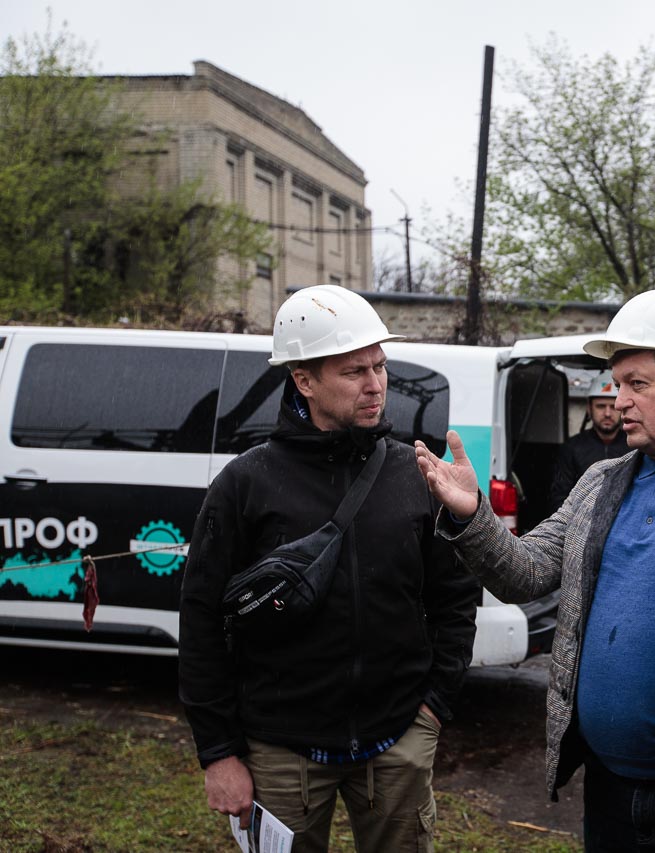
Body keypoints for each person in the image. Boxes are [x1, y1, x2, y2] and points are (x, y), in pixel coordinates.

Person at [416, 289, 655, 853]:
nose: (619, 400)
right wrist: (472, 515)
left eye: (637, 384)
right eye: (616, 383)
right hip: (605, 783)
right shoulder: (600, 482)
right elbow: (524, 573)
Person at [178, 285, 479, 853]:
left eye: (379, 367)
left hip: (397, 740)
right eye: (353, 371)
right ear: (304, 380)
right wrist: (218, 753)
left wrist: (433, 707)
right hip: (280, 749)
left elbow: (456, 596)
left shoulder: (414, 474)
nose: (375, 384)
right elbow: (200, 622)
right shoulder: (245, 484)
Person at [547, 372, 627, 513]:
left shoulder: (634, 447)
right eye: (600, 406)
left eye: (613, 406)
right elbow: (559, 498)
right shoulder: (571, 448)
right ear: (589, 409)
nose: (607, 413)